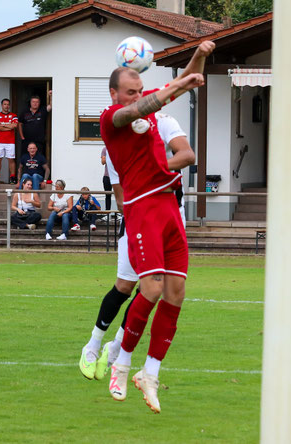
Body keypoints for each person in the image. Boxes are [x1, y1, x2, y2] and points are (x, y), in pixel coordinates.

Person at [99, 40, 214, 413]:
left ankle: (150, 372)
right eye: (129, 92)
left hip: (168, 204)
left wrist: (200, 55)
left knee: (176, 291)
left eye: (138, 90)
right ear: (115, 93)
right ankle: (121, 364)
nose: (136, 96)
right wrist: (177, 88)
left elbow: (181, 80)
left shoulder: (149, 106)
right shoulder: (110, 118)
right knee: (150, 287)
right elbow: (152, 101)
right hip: (141, 207)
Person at [79, 112, 194, 387]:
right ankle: (92, 345)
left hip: (172, 215)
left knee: (154, 289)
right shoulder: (119, 148)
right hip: (138, 218)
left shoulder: (164, 122)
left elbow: (187, 155)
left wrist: (153, 166)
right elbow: (120, 199)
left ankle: (117, 346)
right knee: (125, 286)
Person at [0, 98, 18, 185]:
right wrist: (8, 126)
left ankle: (12, 178)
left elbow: (14, 125)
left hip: (10, 142)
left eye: (8, 104)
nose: (6, 106)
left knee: (11, 159)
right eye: (5, 104)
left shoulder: (14, 115)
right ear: (1, 105)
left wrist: (2, 125)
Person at [100, 147, 112, 212]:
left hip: (118, 176)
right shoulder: (105, 149)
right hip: (107, 176)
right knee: (107, 195)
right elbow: (103, 162)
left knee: (120, 195)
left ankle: (121, 214)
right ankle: (107, 214)